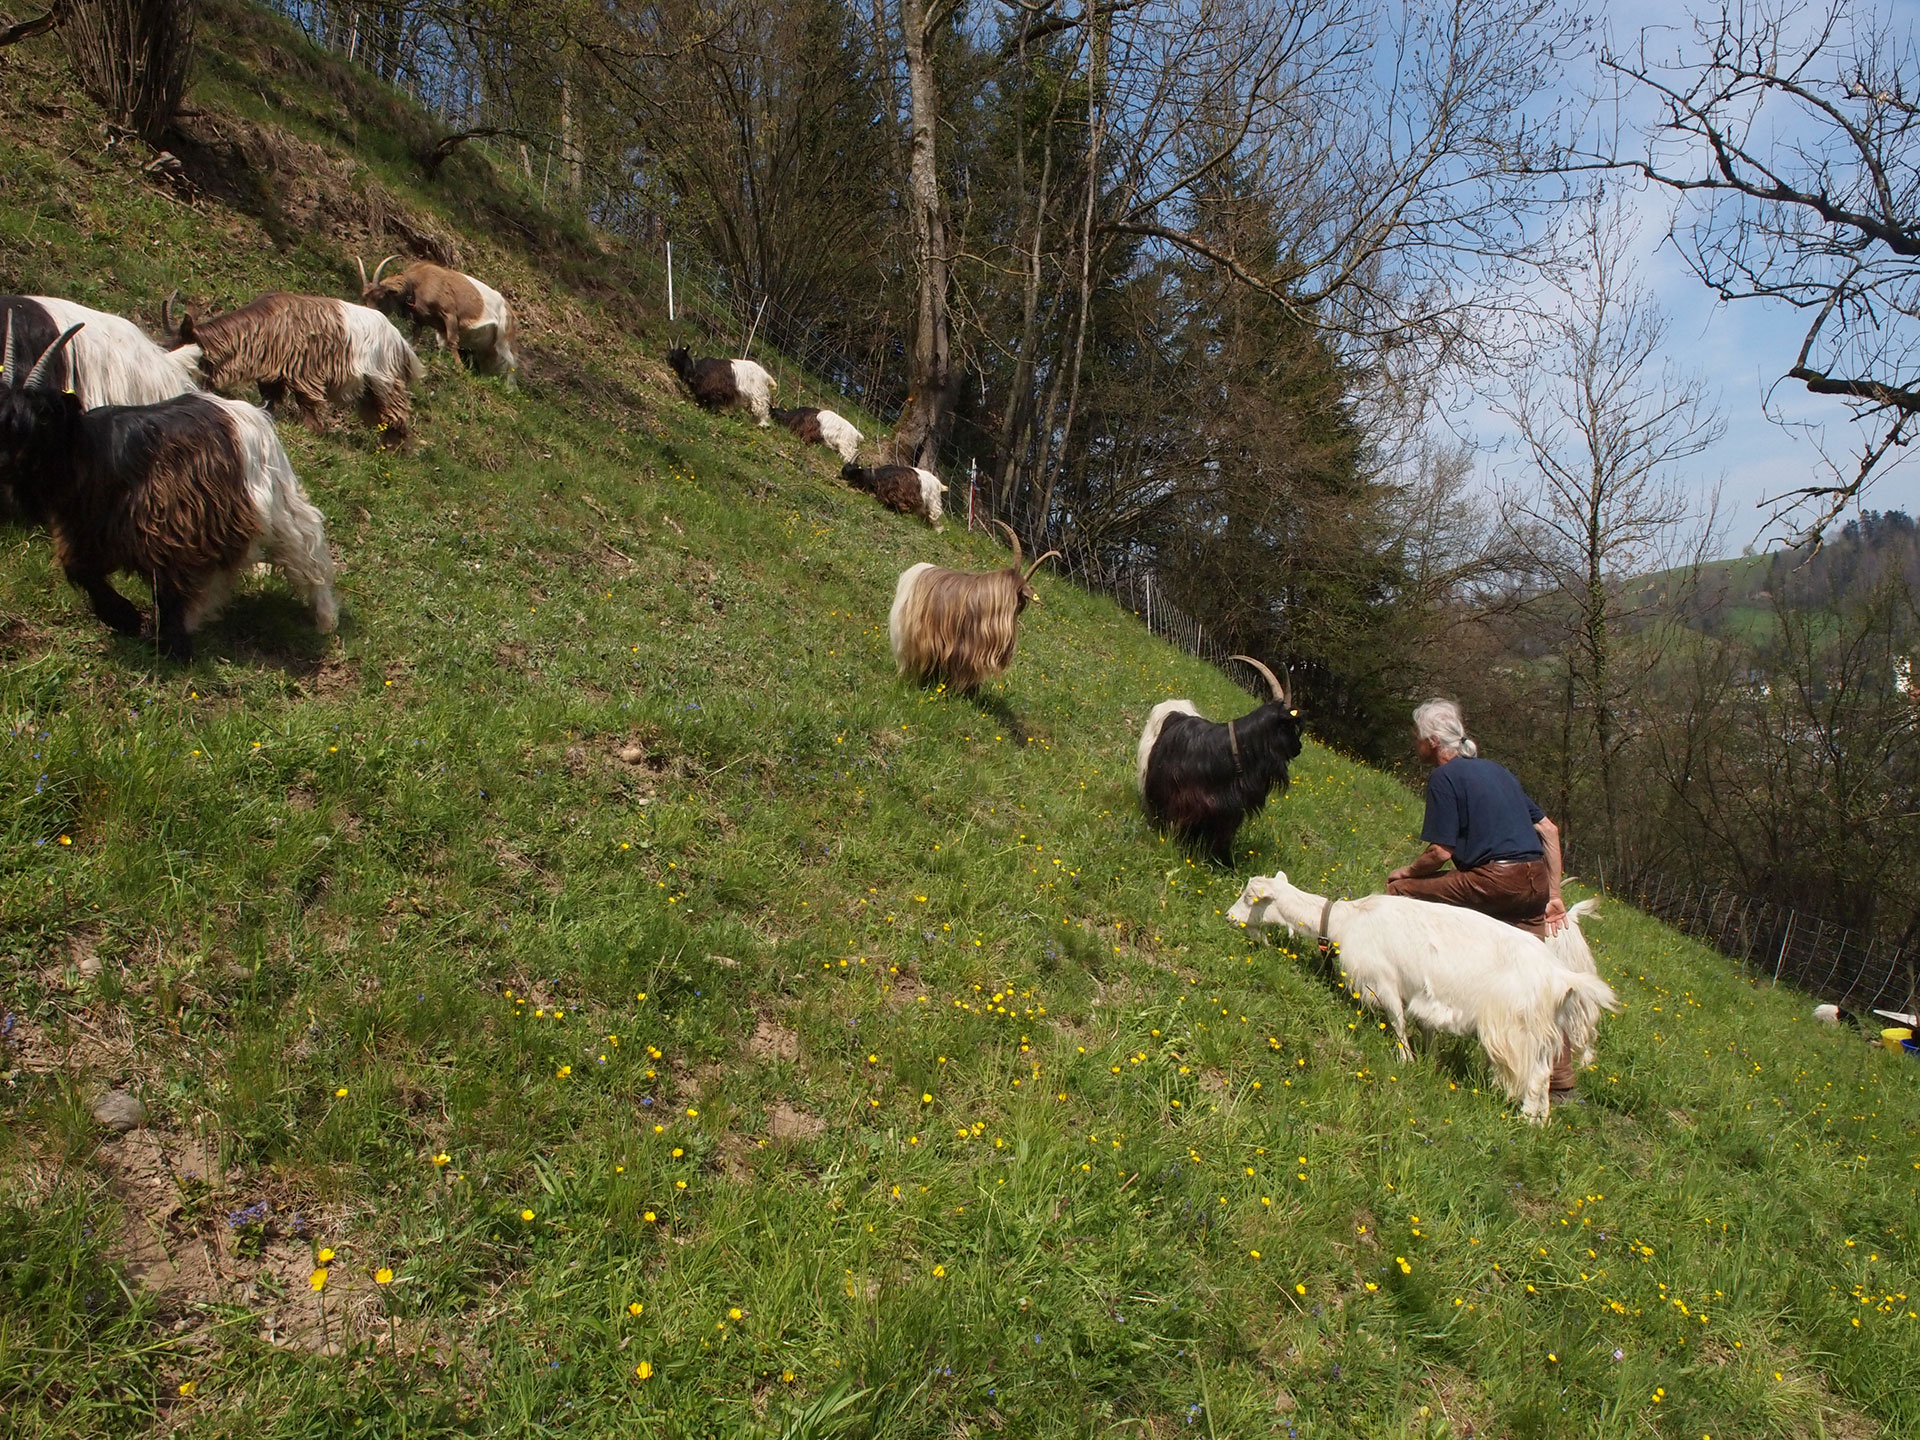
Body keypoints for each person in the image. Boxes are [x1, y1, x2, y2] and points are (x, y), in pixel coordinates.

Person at [1387, 698, 1577, 1095]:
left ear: (1434, 742)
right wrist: (1553, 895)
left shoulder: (1444, 778)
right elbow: (1550, 831)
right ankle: (1559, 1082)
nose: (1414, 743)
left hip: (1493, 881)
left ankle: (1412, 1003)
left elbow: (1441, 852)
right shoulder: (1498, 770)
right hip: (1533, 883)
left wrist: (1405, 873)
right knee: (1535, 976)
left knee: (1401, 893)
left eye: (1417, 738)